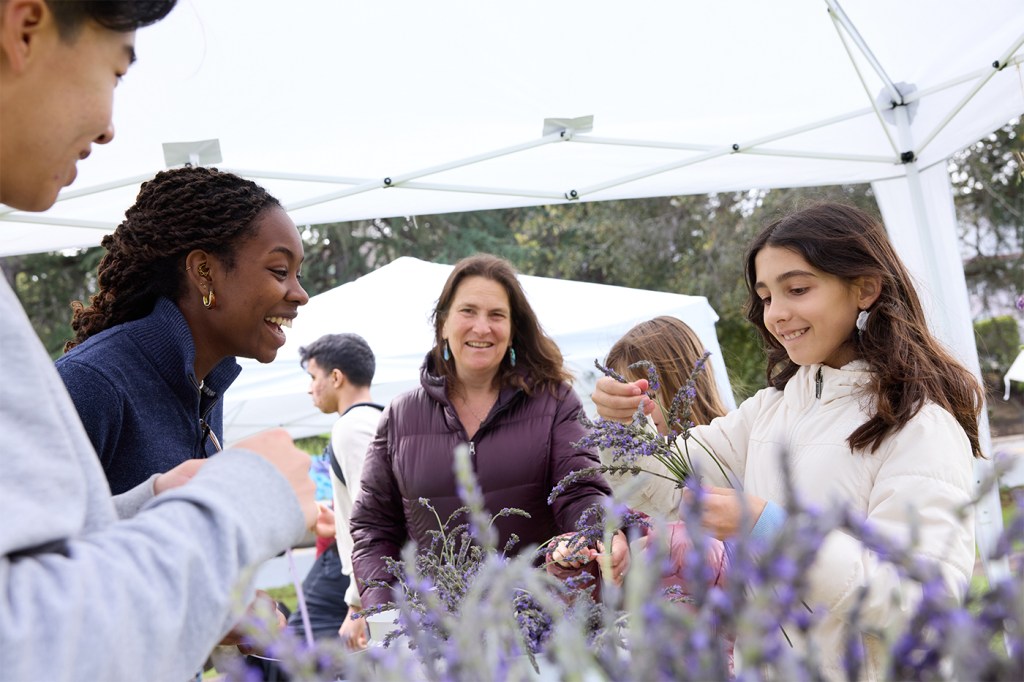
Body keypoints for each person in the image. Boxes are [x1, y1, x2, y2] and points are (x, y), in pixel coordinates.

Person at [0, 2, 317, 680]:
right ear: (23, 26)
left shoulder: (204, 388)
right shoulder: (94, 382)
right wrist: (240, 501)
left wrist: (170, 528)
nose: (112, 127)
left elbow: (72, 559)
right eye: (117, 70)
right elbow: (31, 641)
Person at [591, 203, 982, 680]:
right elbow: (655, 484)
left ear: (865, 288)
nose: (777, 314)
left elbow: (924, 603)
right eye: (766, 296)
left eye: (797, 289)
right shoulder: (769, 410)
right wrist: (623, 424)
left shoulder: (920, 425)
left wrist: (770, 528)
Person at [350, 253, 629, 611]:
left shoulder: (554, 401)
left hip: (540, 623)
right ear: (443, 324)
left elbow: (580, 490)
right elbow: (373, 528)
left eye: (497, 315)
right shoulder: (401, 416)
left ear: (513, 330)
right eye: (468, 311)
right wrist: (387, 612)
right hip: (441, 635)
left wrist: (601, 532)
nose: (482, 328)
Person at [56, 165, 310, 495]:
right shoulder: (90, 384)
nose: (300, 295)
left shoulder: (205, 385)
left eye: (298, 275)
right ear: (204, 271)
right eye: (279, 271)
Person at [289, 333, 382, 649]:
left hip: (374, 585)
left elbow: (373, 517)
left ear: (337, 377)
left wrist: (357, 606)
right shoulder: (377, 419)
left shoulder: (352, 428)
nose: (309, 388)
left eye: (313, 377)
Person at [601, 315, 729, 519]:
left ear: (685, 383)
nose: (637, 411)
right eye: (625, 399)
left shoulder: (730, 450)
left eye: (647, 394)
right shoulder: (627, 473)